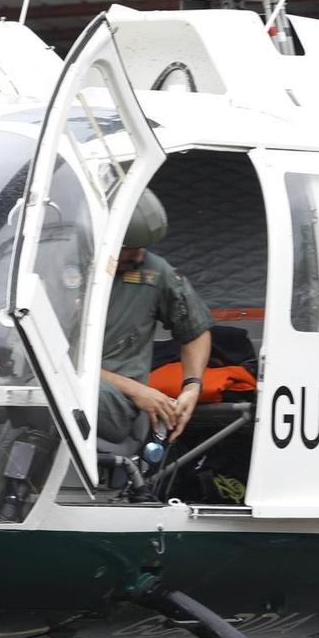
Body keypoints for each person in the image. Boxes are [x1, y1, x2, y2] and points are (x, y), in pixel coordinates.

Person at [97, 189, 211, 447]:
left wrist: (192, 387)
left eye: (142, 248)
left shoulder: (154, 273)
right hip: (72, 389)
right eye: (129, 248)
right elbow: (56, 367)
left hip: (113, 404)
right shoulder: (64, 268)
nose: (138, 256)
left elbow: (195, 330)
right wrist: (138, 390)